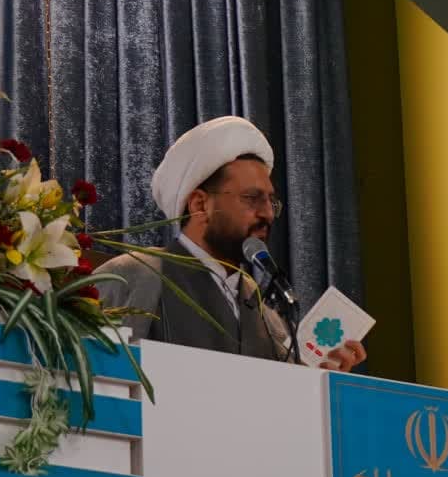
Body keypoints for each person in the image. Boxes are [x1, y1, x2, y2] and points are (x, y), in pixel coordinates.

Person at [96, 116, 366, 371]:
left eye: (270, 201)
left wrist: (319, 377)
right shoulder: (133, 276)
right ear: (200, 204)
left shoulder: (266, 316)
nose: (267, 213)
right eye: (252, 198)